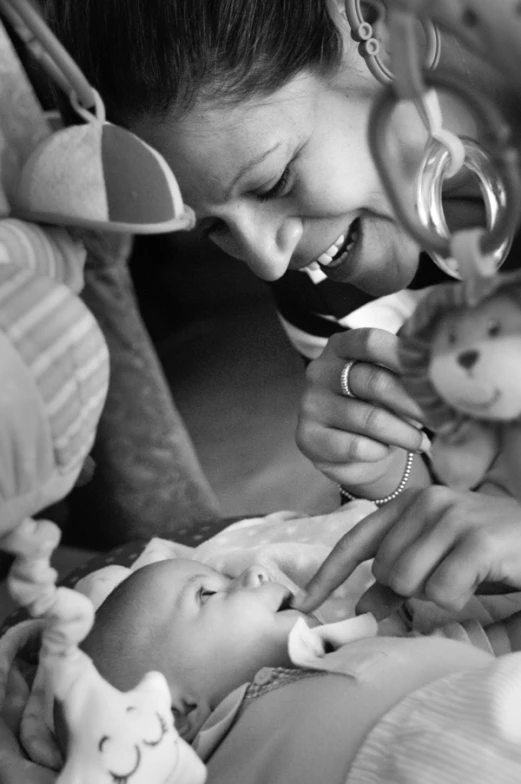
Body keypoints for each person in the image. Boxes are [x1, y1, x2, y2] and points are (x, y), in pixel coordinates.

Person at [43, 0, 521, 611]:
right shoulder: (330, 278)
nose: (265, 260)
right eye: (212, 228)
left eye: (272, 183)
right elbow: (457, 527)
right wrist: (385, 474)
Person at [66, 557, 521, 784]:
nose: (255, 573)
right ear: (173, 713)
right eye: (207, 593)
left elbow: (496, 645)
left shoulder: (357, 650)